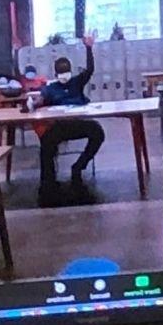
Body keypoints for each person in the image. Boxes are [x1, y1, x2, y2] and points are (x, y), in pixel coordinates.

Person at [34, 33, 103, 207]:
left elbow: (90, 70)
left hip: (78, 123)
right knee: (46, 143)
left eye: (66, 71)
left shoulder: (76, 83)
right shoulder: (51, 88)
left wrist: (89, 48)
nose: (64, 74)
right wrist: (35, 103)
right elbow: (40, 100)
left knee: (98, 132)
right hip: (60, 127)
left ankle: (78, 167)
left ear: (70, 71)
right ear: (56, 73)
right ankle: (48, 182)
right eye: (60, 72)